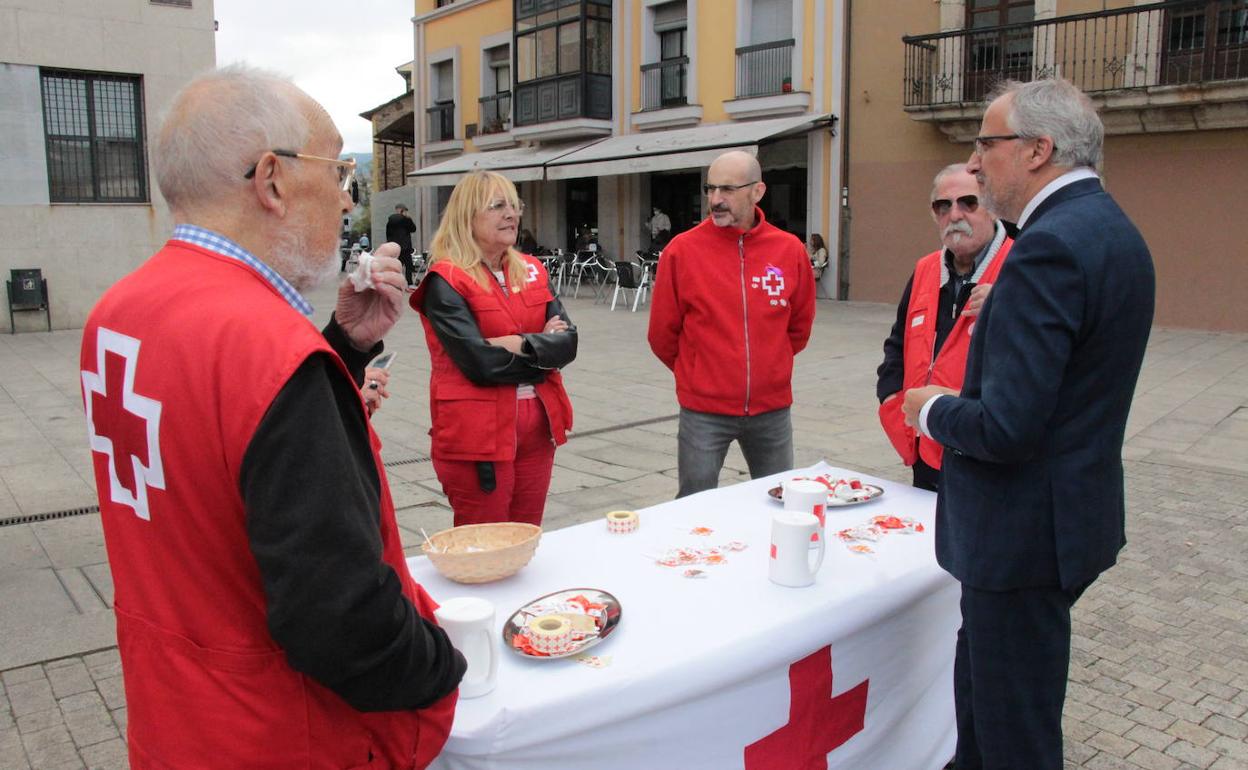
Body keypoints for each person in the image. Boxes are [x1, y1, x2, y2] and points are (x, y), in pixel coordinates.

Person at [78, 66, 464, 769]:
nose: (347, 199)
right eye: (340, 171)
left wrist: (341, 348)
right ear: (272, 180)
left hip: (176, 711)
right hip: (281, 732)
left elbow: (217, 453)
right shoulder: (265, 347)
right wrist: (444, 670)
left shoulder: (117, 313)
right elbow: (340, 618)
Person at [902, 79, 1155, 768]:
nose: (976, 162)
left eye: (988, 142)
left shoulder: (1046, 249)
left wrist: (930, 409)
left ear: (1039, 149)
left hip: (1019, 536)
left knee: (1014, 730)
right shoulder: (1110, 229)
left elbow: (1008, 427)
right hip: (1060, 523)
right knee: (986, 707)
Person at [411, 171, 576, 527]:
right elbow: (480, 364)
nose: (512, 214)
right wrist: (540, 349)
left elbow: (568, 341)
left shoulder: (532, 269)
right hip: (478, 438)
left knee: (526, 534)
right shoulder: (446, 280)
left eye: (515, 205)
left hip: (538, 432)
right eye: (498, 206)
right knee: (484, 543)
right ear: (467, 215)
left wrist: (511, 345)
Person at [648, 150, 815, 498]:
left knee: (781, 501)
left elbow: (799, 327)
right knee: (694, 503)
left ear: (757, 192)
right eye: (711, 189)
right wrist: (698, 375)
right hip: (704, 412)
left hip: (771, 410)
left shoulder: (789, 250)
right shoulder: (682, 251)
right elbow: (662, 333)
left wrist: (771, 365)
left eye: (727, 189)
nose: (715, 200)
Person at [876, 164, 1012, 492]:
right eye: (944, 205)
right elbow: (897, 344)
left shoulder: (1020, 268)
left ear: (992, 208)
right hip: (924, 443)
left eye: (969, 202)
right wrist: (891, 399)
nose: (955, 215)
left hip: (985, 452)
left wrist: (1010, 305)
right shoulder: (925, 269)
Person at [387, 203, 418, 285]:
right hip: (406, 248)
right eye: (405, 211)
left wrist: (391, 245)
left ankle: (395, 284)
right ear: (402, 210)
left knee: (397, 267)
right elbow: (413, 229)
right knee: (408, 267)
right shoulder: (406, 220)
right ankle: (410, 284)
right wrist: (409, 218)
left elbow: (388, 235)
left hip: (396, 248)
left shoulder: (390, 221)